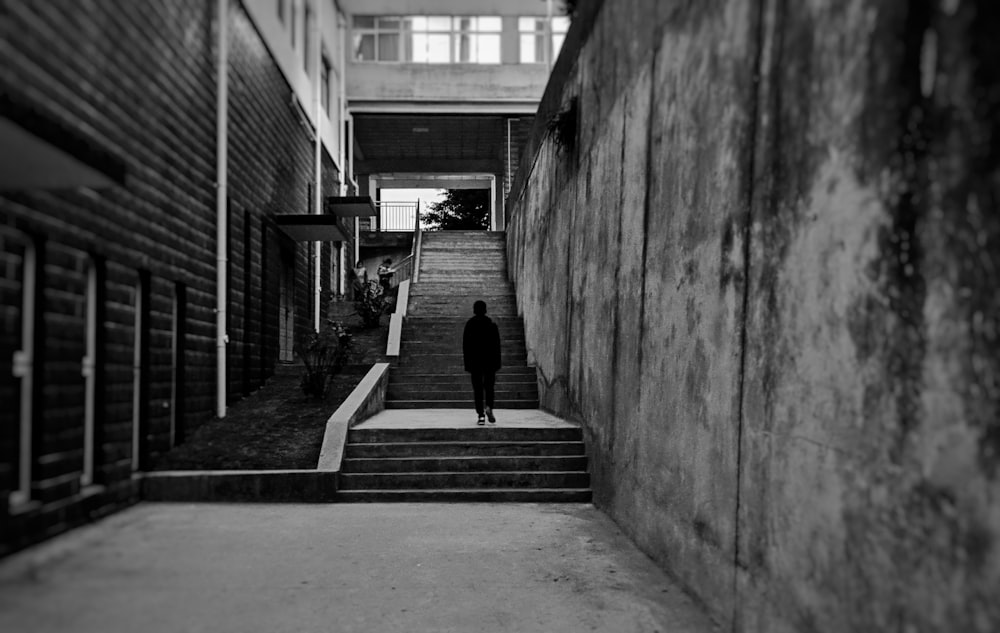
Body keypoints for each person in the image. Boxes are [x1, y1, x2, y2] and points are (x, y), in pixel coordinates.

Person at [463, 300, 501, 425]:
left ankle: (480, 415)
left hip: (475, 362)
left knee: (478, 389)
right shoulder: (491, 325)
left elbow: (466, 346)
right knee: (489, 387)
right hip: (489, 362)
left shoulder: (470, 324)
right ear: (485, 310)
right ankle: (489, 406)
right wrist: (497, 363)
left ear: (474, 310)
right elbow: (497, 346)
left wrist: (467, 363)